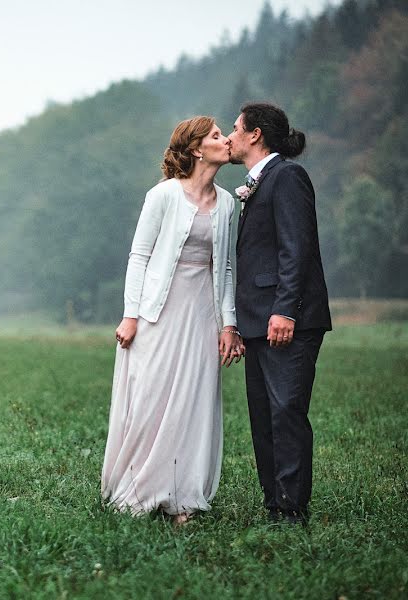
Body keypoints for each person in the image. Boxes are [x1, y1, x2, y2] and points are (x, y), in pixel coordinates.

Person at [101, 117, 244, 524]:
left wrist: (227, 324)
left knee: (193, 401)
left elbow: (227, 268)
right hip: (156, 312)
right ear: (197, 148)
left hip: (202, 314)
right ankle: (142, 490)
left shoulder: (229, 204)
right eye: (217, 135)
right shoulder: (162, 195)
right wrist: (131, 316)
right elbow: (139, 257)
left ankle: (183, 499)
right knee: (151, 398)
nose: (226, 140)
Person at [227, 102, 332, 525]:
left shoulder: (287, 176)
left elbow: (297, 247)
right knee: (263, 416)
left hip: (288, 320)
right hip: (257, 321)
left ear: (255, 135)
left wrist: (285, 310)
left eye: (235, 129)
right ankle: (274, 503)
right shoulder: (258, 183)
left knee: (286, 410)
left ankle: (292, 510)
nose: (229, 136)